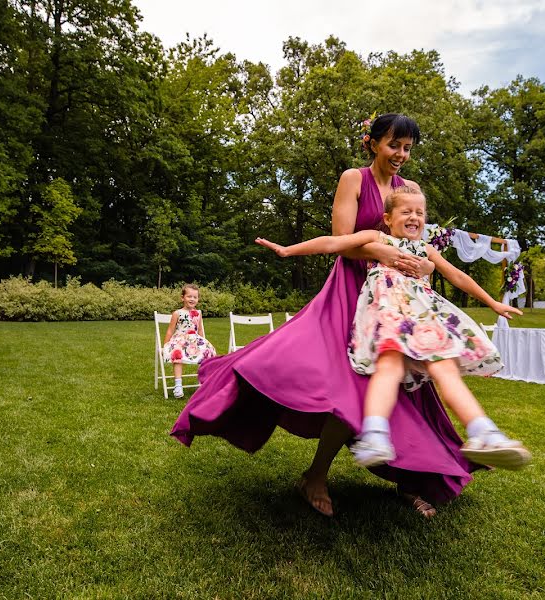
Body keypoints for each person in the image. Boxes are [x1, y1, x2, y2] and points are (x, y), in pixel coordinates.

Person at [172, 114, 468, 518]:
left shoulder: (409, 190)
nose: (400, 155)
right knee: (346, 387)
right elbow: (342, 241)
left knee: (409, 391)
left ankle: (410, 480)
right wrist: (379, 251)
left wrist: (427, 268)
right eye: (393, 145)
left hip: (397, 301)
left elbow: (421, 246)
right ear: (373, 143)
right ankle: (315, 475)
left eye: (407, 148)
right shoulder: (354, 179)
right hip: (350, 293)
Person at [255, 185, 531, 470]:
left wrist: (493, 303)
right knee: (390, 367)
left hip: (423, 319)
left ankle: (483, 432)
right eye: (406, 211)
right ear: (387, 218)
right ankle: (375, 434)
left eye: (420, 213)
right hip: (388, 315)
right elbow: (333, 243)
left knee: (444, 368)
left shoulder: (425, 250)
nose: (414, 217)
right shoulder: (377, 238)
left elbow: (457, 275)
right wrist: (288, 250)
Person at [162, 284, 217, 398]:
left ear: (198, 299)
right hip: (180, 340)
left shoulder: (198, 313)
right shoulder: (177, 313)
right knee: (178, 354)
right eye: (189, 296)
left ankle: (203, 382)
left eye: (195, 297)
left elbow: (200, 330)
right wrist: (165, 345)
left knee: (207, 351)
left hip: (194, 339)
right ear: (182, 298)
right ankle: (178, 384)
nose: (192, 299)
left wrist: (203, 341)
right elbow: (170, 331)